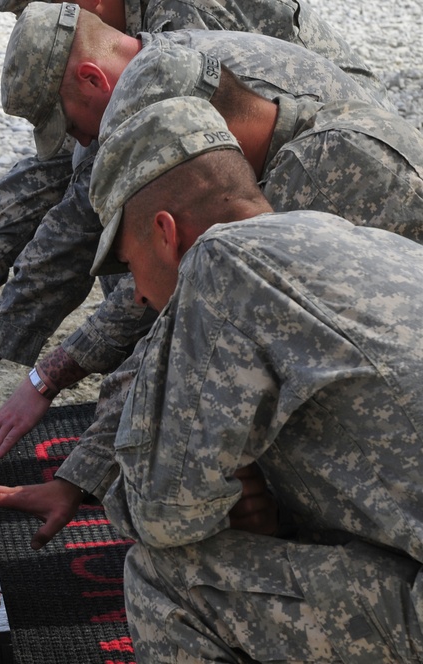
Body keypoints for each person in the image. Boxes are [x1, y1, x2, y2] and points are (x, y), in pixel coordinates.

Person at [0, 27, 423, 548]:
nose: (133, 288)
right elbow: (169, 315)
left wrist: (90, 473)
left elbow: (179, 350)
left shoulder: (322, 174)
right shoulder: (272, 164)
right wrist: (58, 406)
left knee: (166, 569)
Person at [63, 95, 423, 660]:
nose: (135, 293)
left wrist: (228, 497)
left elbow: (163, 514)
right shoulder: (364, 241)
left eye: (130, 264)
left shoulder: (222, 261)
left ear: (165, 232)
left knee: (165, 576)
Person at [0, 0, 388, 353]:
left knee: (198, 266)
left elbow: (171, 185)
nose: (48, 17)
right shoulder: (112, 55)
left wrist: (58, 366)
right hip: (278, 152)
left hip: (337, 170)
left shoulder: (186, 19)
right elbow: (69, 169)